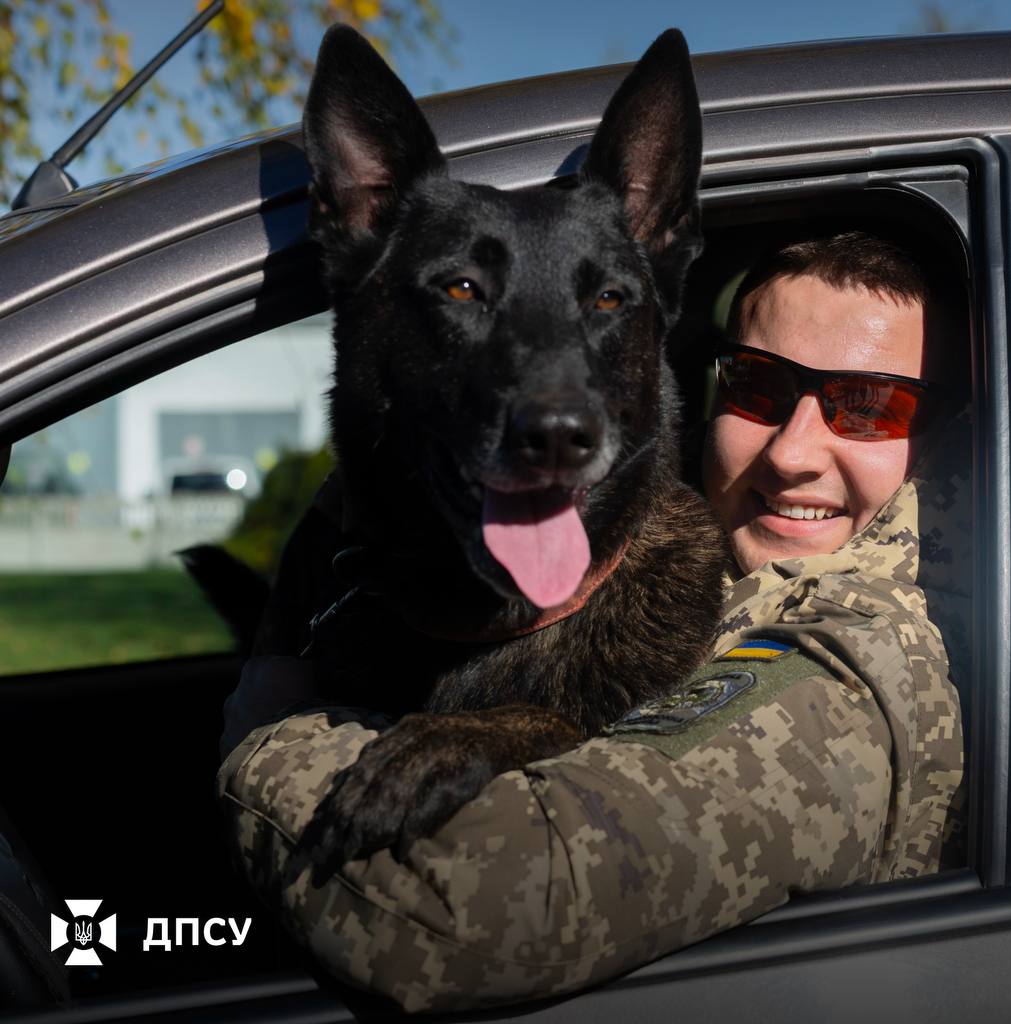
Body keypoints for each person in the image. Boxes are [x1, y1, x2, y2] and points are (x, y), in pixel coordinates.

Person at [217, 229, 969, 1014]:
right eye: (759, 387)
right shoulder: (696, 555)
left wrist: (272, 730)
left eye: (869, 406)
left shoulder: (849, 670)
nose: (790, 454)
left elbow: (466, 917)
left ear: (939, 438)